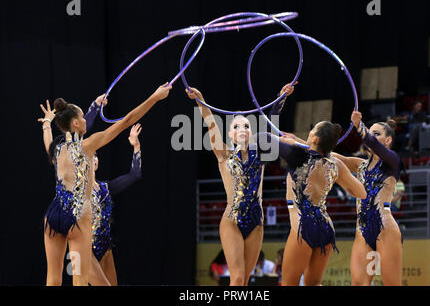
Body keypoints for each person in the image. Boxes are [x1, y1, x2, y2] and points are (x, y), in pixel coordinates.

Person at [38, 82, 171, 286]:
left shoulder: (57, 149)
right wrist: (154, 97)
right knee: (80, 281)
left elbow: (48, 140)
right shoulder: (88, 146)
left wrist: (47, 122)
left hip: (54, 213)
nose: (85, 120)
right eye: (82, 117)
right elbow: (126, 121)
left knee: (53, 279)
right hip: (78, 215)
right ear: (74, 123)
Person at [185, 83, 295, 286]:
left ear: (252, 132)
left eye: (246, 126)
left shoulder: (260, 152)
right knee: (235, 278)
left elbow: (271, 123)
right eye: (236, 126)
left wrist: (281, 97)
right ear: (230, 135)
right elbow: (211, 124)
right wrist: (201, 102)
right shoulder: (224, 154)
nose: (242, 129)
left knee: (244, 280)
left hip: (256, 222)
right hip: (231, 220)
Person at [262, 123, 366, 286]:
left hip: (303, 224)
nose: (308, 133)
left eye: (311, 131)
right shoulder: (335, 164)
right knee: (314, 283)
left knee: (289, 283)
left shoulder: (296, 154)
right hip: (325, 226)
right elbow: (361, 193)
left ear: (315, 138)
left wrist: (294, 143)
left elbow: (264, 137)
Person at [332, 111, 403, 286]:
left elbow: (374, 145)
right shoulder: (361, 165)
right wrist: (305, 143)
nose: (371, 136)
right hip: (362, 231)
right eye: (370, 132)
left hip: (385, 229)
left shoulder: (392, 162)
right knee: (357, 284)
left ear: (388, 141)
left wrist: (360, 127)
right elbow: (333, 157)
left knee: (391, 284)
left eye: (376, 133)